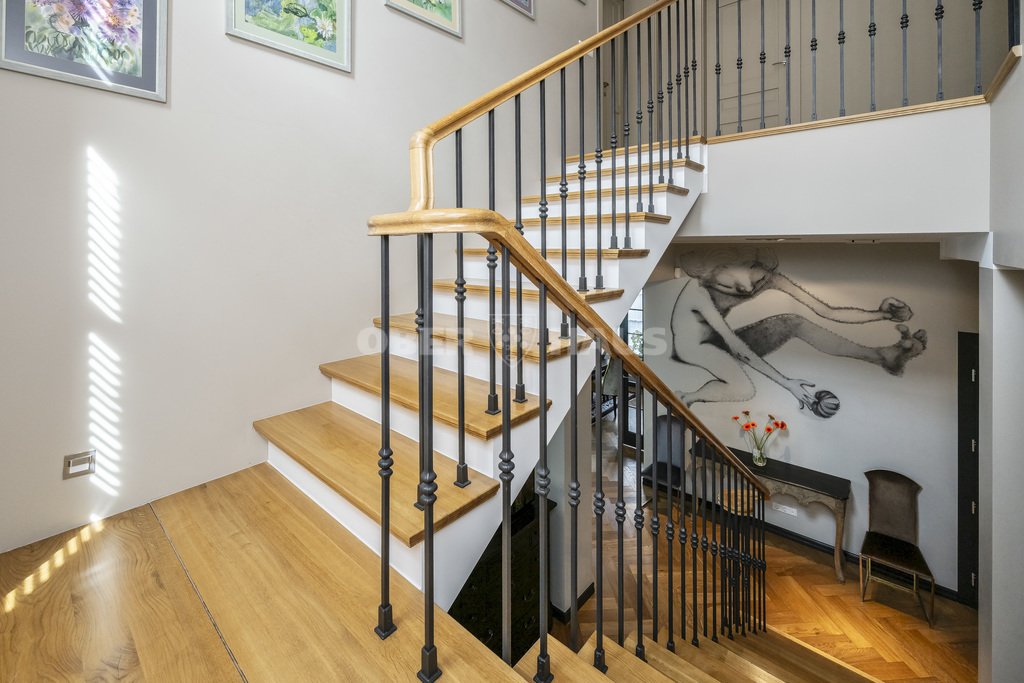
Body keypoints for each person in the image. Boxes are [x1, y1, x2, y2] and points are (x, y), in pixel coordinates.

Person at [670, 247, 927, 415]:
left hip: (721, 339)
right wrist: (787, 383)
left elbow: (828, 312)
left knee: (793, 321)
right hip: (695, 347)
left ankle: (883, 357)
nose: (748, 289)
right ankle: (687, 397)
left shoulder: (768, 277)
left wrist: (880, 314)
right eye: (733, 287)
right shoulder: (698, 292)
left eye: (754, 279)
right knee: (744, 390)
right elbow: (735, 345)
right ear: (710, 276)